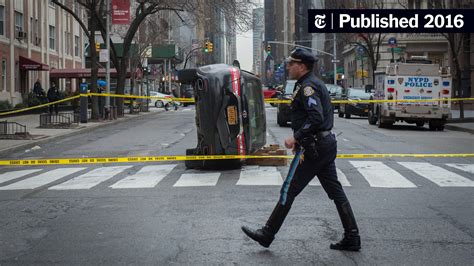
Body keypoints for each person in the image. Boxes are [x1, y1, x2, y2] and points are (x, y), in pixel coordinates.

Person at [241, 48, 361, 251]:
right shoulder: (306, 84)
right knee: (335, 191)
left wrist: (295, 137)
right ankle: (352, 236)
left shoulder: (308, 87)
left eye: (292, 63)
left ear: (302, 66)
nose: (288, 66)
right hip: (322, 145)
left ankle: (267, 233)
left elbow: (316, 117)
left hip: (314, 148)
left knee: (288, 188)